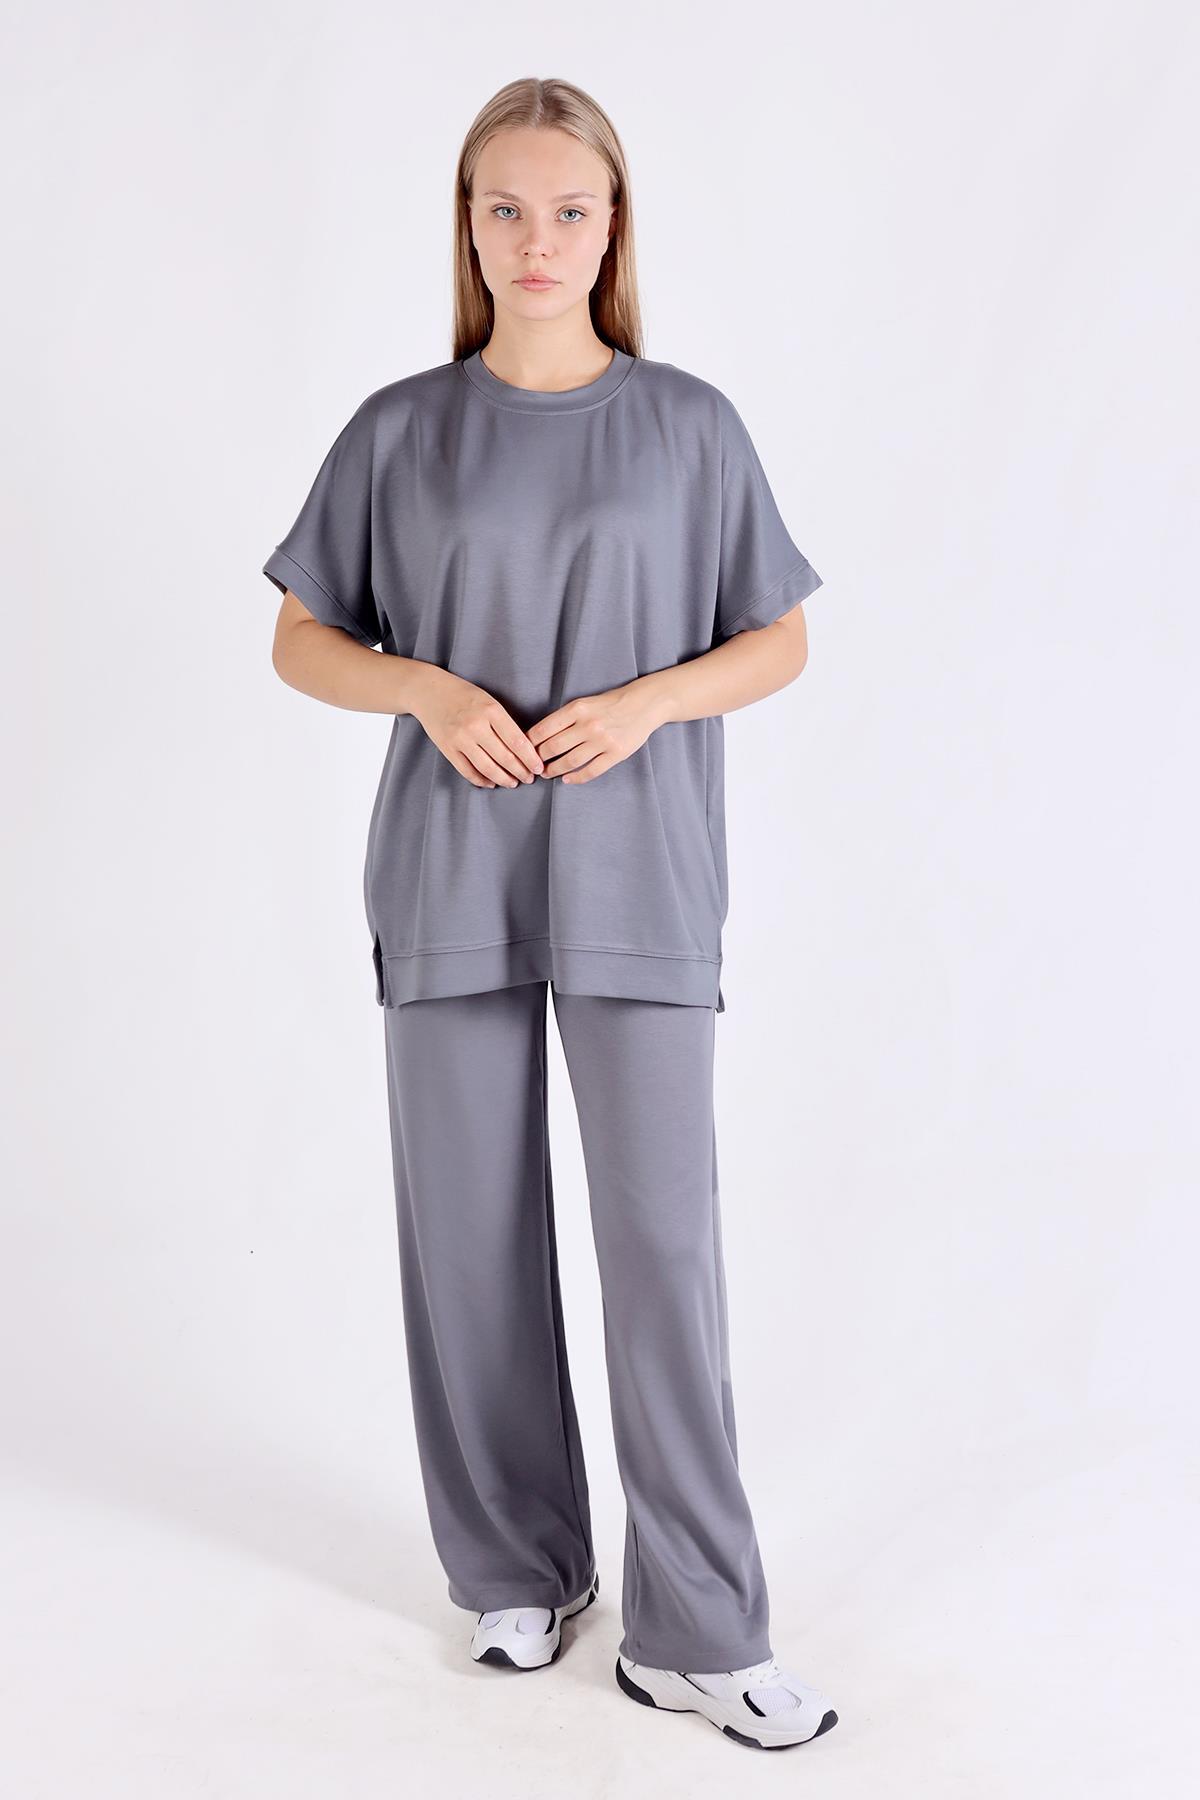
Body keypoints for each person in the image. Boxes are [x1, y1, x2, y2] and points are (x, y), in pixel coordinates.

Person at [262, 76, 838, 1752]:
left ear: (612, 227)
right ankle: (518, 1569)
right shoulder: (399, 431)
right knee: (469, 1239)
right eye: (505, 208)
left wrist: (651, 703)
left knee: (664, 1249)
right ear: (468, 225)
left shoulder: (691, 427)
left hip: (640, 874)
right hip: (450, 873)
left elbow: (781, 637)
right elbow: (301, 638)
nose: (537, 240)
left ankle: (699, 1627)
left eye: (570, 210)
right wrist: (425, 688)